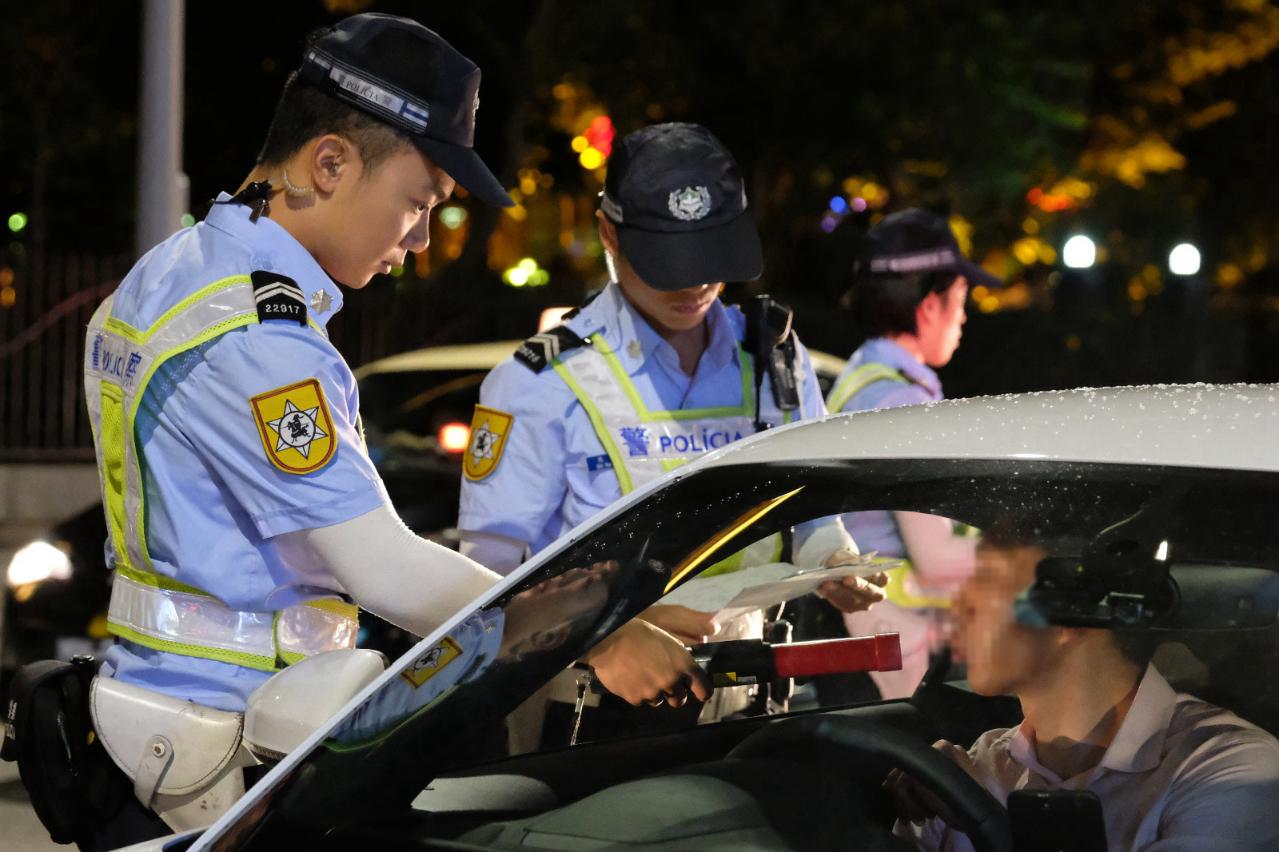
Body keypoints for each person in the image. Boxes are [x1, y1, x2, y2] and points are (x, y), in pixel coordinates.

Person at [78, 13, 511, 835]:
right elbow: (384, 571)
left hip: (159, 723)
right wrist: (571, 629)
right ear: (330, 163)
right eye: (417, 204)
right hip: (224, 752)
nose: (421, 239)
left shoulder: (174, 271)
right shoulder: (260, 339)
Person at [457, 122, 884, 715]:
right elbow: (482, 584)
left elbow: (812, 515)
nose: (695, 282)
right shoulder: (539, 383)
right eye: (668, 261)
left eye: (710, 255)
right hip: (591, 709)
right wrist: (601, 636)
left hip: (747, 701)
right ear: (609, 233)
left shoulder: (775, 359)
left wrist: (832, 561)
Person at [887, 518, 1279, 851]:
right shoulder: (983, 762)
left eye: (987, 583)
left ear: (1073, 616)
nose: (958, 607)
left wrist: (986, 811)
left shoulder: (1233, 769)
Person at [830, 208, 1002, 699]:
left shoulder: (861, 379)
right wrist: (1036, 557)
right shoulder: (901, 402)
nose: (963, 318)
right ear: (929, 306)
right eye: (960, 301)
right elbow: (938, 560)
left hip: (868, 643)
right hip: (901, 650)